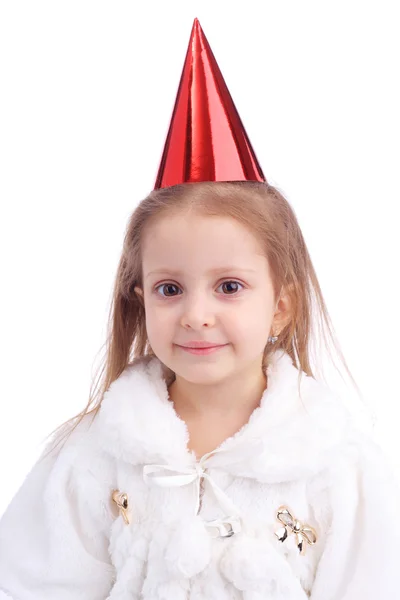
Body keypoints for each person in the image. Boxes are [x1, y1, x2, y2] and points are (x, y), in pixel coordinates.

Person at [1, 18, 399, 600]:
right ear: (139, 301)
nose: (196, 314)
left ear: (281, 305)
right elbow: (30, 582)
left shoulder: (337, 461)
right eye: (169, 289)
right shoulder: (94, 453)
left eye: (230, 287)